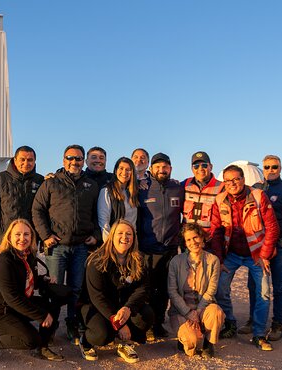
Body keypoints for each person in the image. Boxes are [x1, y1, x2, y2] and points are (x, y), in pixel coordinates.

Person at [31, 144, 101, 342]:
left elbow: (97, 214)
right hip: (57, 247)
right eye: (70, 158)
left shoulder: (91, 185)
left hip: (81, 246)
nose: (74, 162)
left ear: (83, 161)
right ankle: (50, 324)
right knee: (54, 288)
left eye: (78, 158)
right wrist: (45, 235)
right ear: (63, 160)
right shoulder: (52, 183)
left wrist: (95, 233)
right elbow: (37, 210)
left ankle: (72, 322)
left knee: (76, 288)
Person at [210, 165, 279, 351]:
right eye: (228, 180)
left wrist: (264, 255)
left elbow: (272, 227)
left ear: (243, 179)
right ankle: (230, 323)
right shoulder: (220, 199)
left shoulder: (257, 196)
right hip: (231, 254)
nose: (232, 183)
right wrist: (220, 260)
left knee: (263, 292)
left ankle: (258, 334)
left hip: (256, 254)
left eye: (236, 179)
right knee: (220, 287)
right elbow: (215, 231)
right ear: (223, 182)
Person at [0, 219, 65, 362]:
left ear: (32, 237)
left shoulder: (28, 255)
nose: (22, 239)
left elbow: (28, 281)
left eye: (26, 234)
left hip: (16, 305)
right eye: (17, 234)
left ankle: (42, 347)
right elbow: (11, 298)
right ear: (10, 237)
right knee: (30, 339)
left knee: (52, 304)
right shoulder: (4, 261)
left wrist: (43, 279)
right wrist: (41, 315)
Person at [79, 220, 153, 364]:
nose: (124, 237)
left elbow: (143, 288)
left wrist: (128, 308)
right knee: (102, 336)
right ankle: (85, 341)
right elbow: (97, 297)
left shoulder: (139, 259)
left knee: (146, 316)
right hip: (98, 307)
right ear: (111, 236)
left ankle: (125, 344)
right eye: (120, 233)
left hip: (123, 307)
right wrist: (119, 324)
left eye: (129, 234)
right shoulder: (97, 260)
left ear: (134, 238)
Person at [244, 155, 282, 341]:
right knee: (254, 285)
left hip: (279, 247)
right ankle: (253, 319)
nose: (270, 170)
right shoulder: (256, 189)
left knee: (278, 287)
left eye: (274, 166)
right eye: (267, 167)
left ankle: (277, 324)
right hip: (258, 247)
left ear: (281, 168)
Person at [137, 152, 184, 339]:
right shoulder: (142, 188)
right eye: (157, 167)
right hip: (148, 248)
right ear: (151, 169)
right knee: (147, 288)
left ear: (170, 169)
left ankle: (157, 323)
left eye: (165, 167)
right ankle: (146, 325)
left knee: (165, 289)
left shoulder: (178, 187)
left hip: (170, 249)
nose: (161, 170)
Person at [168, 223, 225, 358]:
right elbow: (172, 291)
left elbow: (211, 289)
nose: (193, 242)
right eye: (188, 239)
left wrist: (198, 311)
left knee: (216, 312)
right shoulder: (176, 261)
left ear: (202, 238)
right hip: (181, 309)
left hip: (203, 306)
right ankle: (185, 337)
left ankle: (208, 342)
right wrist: (188, 312)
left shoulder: (213, 260)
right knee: (191, 342)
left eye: (196, 237)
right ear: (185, 243)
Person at [0, 146, 44, 250]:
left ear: (35, 161)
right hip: (6, 238)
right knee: (6, 265)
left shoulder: (40, 180)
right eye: (22, 159)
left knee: (28, 266)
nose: (26, 163)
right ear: (15, 160)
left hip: (29, 239)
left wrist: (42, 238)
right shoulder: (1, 178)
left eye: (30, 160)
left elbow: (44, 211)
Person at [181, 151, 224, 237]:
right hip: (188, 241)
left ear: (211, 167)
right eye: (196, 166)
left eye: (204, 165)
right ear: (192, 169)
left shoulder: (222, 188)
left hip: (210, 242)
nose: (200, 169)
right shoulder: (185, 184)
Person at [98, 157, 139, 240]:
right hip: (114, 241)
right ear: (116, 170)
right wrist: (109, 243)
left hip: (130, 241)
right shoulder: (107, 191)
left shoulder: (133, 193)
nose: (124, 172)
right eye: (121, 168)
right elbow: (104, 222)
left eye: (128, 169)